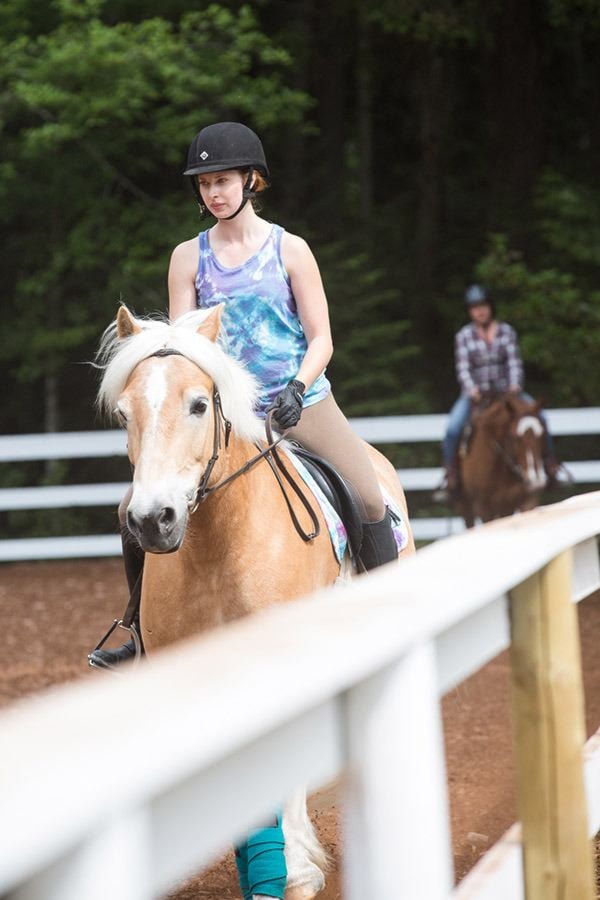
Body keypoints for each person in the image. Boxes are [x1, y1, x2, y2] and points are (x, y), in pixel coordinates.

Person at [91, 122, 398, 671]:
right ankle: (137, 626)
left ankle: (394, 618)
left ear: (251, 180)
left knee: (369, 497)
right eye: (205, 183)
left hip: (299, 400)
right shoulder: (188, 257)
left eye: (224, 180)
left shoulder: (290, 249)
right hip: (221, 413)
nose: (214, 192)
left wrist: (299, 388)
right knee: (129, 510)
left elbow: (322, 336)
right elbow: (182, 345)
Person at [436, 283, 561, 498]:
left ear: (490, 307)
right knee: (454, 429)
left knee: (539, 417)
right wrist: (472, 389)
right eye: (475, 307)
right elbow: (463, 368)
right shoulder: (464, 336)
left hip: (507, 394)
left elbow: (514, 362)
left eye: (483, 306)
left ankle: (550, 465)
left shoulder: (506, 332)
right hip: (477, 396)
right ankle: (451, 476)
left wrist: (514, 386)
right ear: (470, 311)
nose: (480, 311)